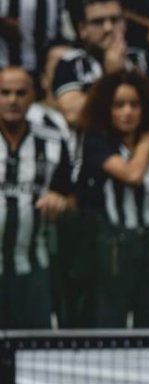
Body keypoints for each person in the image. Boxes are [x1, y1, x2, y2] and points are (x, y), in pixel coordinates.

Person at [76, 71, 149, 329]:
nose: (127, 112)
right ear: (106, 109)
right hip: (111, 243)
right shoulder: (97, 144)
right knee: (109, 320)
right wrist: (148, 135)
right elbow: (132, 175)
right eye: (119, 105)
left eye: (135, 105)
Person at [0, 67, 74, 329]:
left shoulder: (53, 142)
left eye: (20, 93)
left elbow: (73, 197)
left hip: (33, 267)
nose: (12, 100)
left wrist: (62, 203)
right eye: (5, 93)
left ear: (33, 97)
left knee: (32, 350)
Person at [51, 0, 149, 129]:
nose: (108, 28)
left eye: (115, 20)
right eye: (98, 22)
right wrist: (111, 77)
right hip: (95, 144)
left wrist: (128, 75)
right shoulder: (71, 62)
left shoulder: (142, 58)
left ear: (124, 24)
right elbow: (73, 115)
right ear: (83, 29)